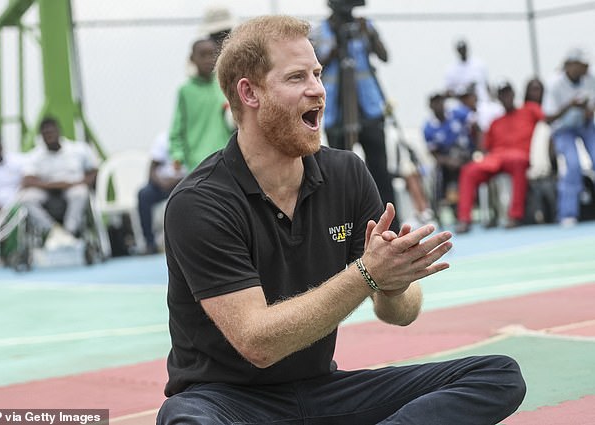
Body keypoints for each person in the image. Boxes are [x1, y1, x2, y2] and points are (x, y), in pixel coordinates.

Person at [157, 15, 526, 425]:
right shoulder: (200, 201)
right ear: (250, 92)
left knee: (497, 375)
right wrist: (367, 274)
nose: (317, 88)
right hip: (230, 403)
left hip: (324, 392)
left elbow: (400, 312)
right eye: (297, 77)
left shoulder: (346, 174)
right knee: (186, 420)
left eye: (317, 73)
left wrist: (394, 283)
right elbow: (257, 342)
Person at [310, 0, 398, 229]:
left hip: (368, 108)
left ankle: (392, 227)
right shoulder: (320, 32)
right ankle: (348, 229)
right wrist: (335, 49)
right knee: (340, 173)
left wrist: (367, 33)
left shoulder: (364, 26)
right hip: (337, 114)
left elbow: (384, 55)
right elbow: (312, 67)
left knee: (380, 170)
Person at [455, 79, 546, 233]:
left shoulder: (529, 109)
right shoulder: (495, 122)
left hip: (519, 157)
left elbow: (548, 121)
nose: (506, 97)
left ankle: (515, 216)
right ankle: (464, 219)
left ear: (514, 94)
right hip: (496, 158)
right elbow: (484, 148)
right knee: (469, 170)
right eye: (502, 95)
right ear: (499, 98)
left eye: (508, 93)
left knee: (518, 163)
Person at [19, 116, 99, 247]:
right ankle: (52, 231)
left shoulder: (78, 149)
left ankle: (69, 232)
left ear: (58, 131)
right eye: (45, 134)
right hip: (47, 191)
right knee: (26, 198)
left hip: (73, 188)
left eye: (51, 132)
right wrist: (55, 185)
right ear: (41, 136)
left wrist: (79, 183)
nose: (49, 136)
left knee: (80, 192)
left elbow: (94, 171)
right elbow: (27, 180)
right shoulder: (35, 155)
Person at [542, 47, 595, 227]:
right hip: (563, 130)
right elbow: (548, 117)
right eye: (582, 64)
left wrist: (588, 111)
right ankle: (567, 213)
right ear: (571, 65)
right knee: (572, 165)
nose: (586, 67)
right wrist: (569, 106)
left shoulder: (590, 79)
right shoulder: (555, 84)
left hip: (585, 126)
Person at [169, 37, 233, 172]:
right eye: (202, 55)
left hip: (226, 160)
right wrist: (177, 156)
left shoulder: (225, 86)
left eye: (212, 54)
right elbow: (177, 129)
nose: (208, 60)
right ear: (192, 58)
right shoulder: (185, 91)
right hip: (197, 164)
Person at [423, 90, 477, 217]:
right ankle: (454, 206)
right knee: (447, 175)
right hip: (447, 161)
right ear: (430, 106)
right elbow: (434, 153)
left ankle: (472, 202)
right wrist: (449, 161)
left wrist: (478, 150)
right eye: (435, 102)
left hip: (467, 154)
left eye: (440, 101)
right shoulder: (428, 127)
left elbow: (477, 128)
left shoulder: (458, 113)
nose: (438, 104)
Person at [137, 131, 185, 254]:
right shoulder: (163, 139)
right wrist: (162, 183)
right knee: (143, 195)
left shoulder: (192, 137)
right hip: (162, 185)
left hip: (184, 183)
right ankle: (149, 242)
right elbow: (152, 169)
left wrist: (177, 181)